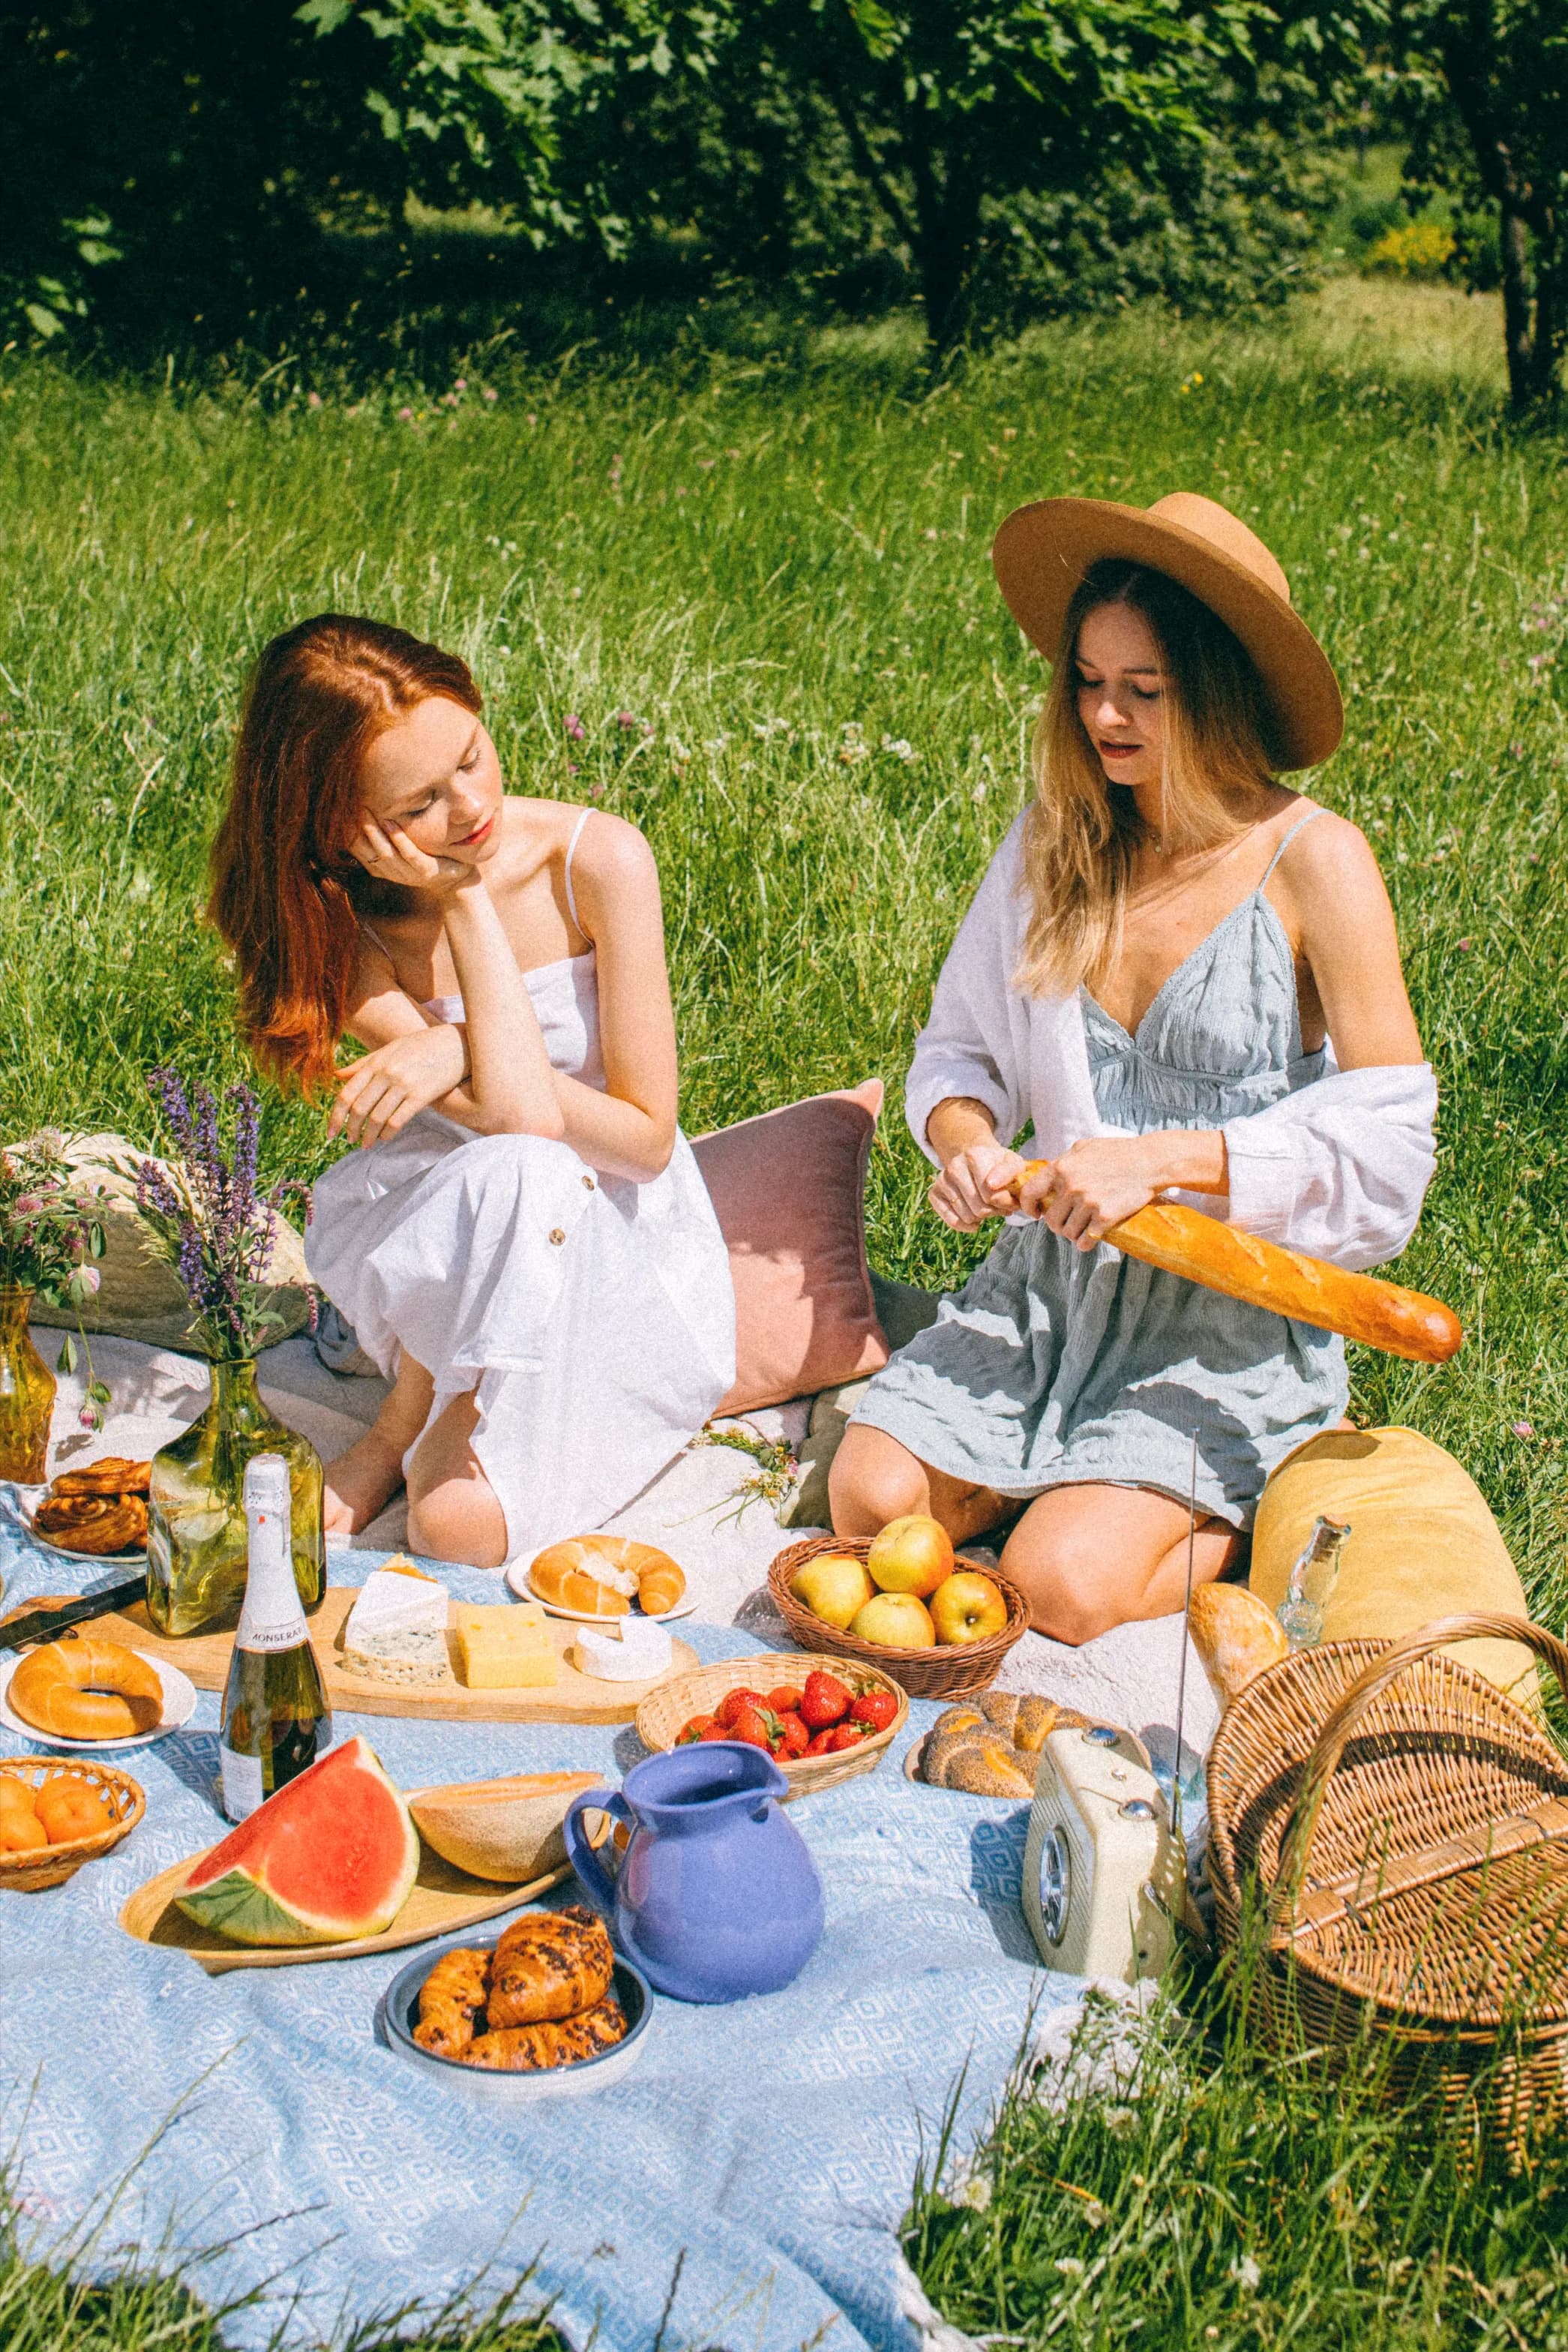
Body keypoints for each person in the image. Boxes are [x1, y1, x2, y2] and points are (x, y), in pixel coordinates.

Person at [831, 493, 1437, 1642]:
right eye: (1086, 682)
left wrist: (1158, 1160)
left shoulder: (1316, 862)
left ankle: (1205, 1515)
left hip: (1220, 1311)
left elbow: (1390, 1140)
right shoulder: (1054, 839)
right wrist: (962, 1143)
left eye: (1143, 690)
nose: (1103, 715)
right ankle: (1056, 1488)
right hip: (1050, 1286)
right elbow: (958, 1051)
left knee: (1061, 1589)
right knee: (866, 1503)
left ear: (1215, 693)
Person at [208, 615, 735, 1568]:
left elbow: (645, 1140)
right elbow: (514, 1124)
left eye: (472, 755)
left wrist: (455, 1025)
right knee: (511, 1172)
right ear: (344, 830)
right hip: (446, 1246)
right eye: (419, 804)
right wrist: (462, 911)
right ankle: (399, 1426)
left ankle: (402, 1431)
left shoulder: (599, 860)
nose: (470, 806)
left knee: (453, 1527)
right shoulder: (341, 931)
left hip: (617, 1241)